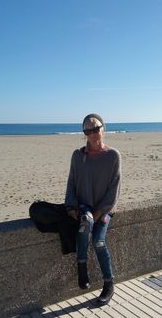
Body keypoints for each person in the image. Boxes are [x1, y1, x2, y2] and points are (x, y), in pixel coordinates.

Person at [65, 113, 121, 305]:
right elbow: (71, 182)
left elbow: (114, 190)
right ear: (84, 133)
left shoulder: (113, 156)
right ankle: (82, 267)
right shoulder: (78, 156)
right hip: (83, 205)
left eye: (96, 128)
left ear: (103, 128)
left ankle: (109, 284)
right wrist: (71, 207)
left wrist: (99, 213)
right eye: (88, 130)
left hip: (105, 208)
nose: (93, 133)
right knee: (86, 221)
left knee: (98, 241)